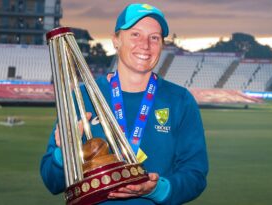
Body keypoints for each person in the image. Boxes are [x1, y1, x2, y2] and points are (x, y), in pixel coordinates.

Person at [40, 3, 208, 205]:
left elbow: (195, 175)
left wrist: (157, 189)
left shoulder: (180, 100)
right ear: (116, 41)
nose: (145, 45)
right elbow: (52, 181)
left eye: (154, 37)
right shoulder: (82, 97)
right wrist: (63, 153)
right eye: (135, 34)